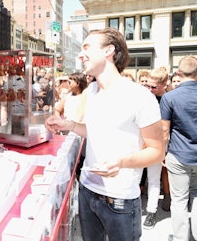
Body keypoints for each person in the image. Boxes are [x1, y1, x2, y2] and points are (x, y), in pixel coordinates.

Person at [45, 28, 165, 241]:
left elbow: (157, 152)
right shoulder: (91, 92)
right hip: (87, 192)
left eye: (87, 47)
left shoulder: (139, 96)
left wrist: (122, 162)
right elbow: (95, 132)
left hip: (120, 201)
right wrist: (69, 124)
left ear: (109, 50)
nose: (80, 55)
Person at [160, 55, 197, 241]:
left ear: (179, 73)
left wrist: (162, 152)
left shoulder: (169, 97)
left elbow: (164, 131)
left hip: (178, 154)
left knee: (179, 200)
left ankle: (181, 238)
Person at [142, 66, 170, 228]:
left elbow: (166, 130)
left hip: (157, 145)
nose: (150, 89)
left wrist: (161, 151)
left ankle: (151, 212)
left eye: (153, 87)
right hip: (141, 143)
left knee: (153, 180)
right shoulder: (145, 97)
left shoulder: (167, 100)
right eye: (147, 85)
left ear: (164, 84)